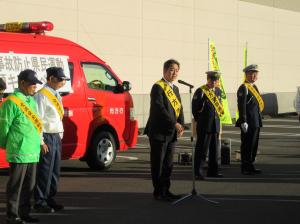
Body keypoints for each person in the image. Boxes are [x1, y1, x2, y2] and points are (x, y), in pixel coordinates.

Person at [0, 69, 43, 224]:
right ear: (22, 83)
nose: (35, 87)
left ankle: (25, 213)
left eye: (36, 84)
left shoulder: (31, 100)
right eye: (32, 84)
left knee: (29, 186)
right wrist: (5, 145)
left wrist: (40, 142)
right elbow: (4, 126)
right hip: (19, 150)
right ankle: (12, 215)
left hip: (32, 151)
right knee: (16, 186)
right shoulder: (11, 101)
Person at [144, 59, 184, 201]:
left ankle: (166, 190)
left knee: (168, 164)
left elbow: (179, 108)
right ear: (165, 71)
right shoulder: (158, 87)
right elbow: (159, 109)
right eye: (172, 70)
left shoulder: (176, 88)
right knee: (158, 164)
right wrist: (174, 123)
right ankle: (158, 192)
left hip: (171, 133)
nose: (174, 73)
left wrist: (181, 124)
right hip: (159, 132)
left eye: (177, 70)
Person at [34, 67, 69, 213]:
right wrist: (41, 141)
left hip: (55, 135)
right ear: (51, 79)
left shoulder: (56, 94)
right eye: (60, 79)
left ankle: (50, 198)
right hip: (47, 135)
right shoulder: (42, 95)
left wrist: (60, 134)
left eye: (63, 79)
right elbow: (38, 119)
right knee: (45, 171)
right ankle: (40, 201)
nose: (62, 82)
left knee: (54, 171)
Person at [192, 71, 224, 180]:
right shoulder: (201, 91)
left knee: (214, 150)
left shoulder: (219, 91)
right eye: (212, 80)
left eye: (216, 80)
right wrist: (200, 120)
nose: (214, 82)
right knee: (202, 149)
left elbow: (219, 109)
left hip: (215, 124)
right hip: (205, 125)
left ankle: (213, 171)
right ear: (208, 79)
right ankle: (198, 171)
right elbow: (195, 109)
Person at [236, 64, 263, 175]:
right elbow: (241, 106)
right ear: (246, 74)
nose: (254, 75)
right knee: (247, 145)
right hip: (248, 121)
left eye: (255, 73)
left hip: (256, 121)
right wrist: (243, 120)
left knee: (254, 145)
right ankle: (245, 167)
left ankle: (251, 165)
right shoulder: (244, 87)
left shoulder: (254, 87)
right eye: (251, 73)